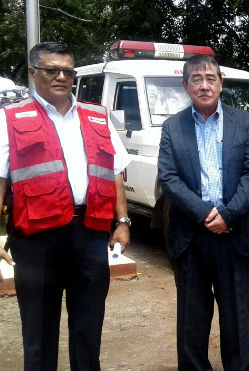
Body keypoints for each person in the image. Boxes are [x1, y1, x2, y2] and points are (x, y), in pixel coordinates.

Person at [0, 42, 131, 371]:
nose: (61, 76)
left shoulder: (96, 115)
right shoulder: (9, 119)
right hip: (36, 240)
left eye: (68, 71)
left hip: (89, 235)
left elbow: (114, 171)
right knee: (40, 333)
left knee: (88, 330)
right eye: (51, 70)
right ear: (33, 74)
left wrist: (123, 221)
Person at [157, 54, 249, 371]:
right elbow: (169, 178)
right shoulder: (172, 127)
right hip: (190, 237)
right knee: (192, 320)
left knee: (235, 321)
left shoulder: (245, 123)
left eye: (210, 78)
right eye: (197, 79)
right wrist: (205, 214)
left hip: (233, 236)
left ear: (220, 83)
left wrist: (228, 216)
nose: (204, 85)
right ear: (185, 85)